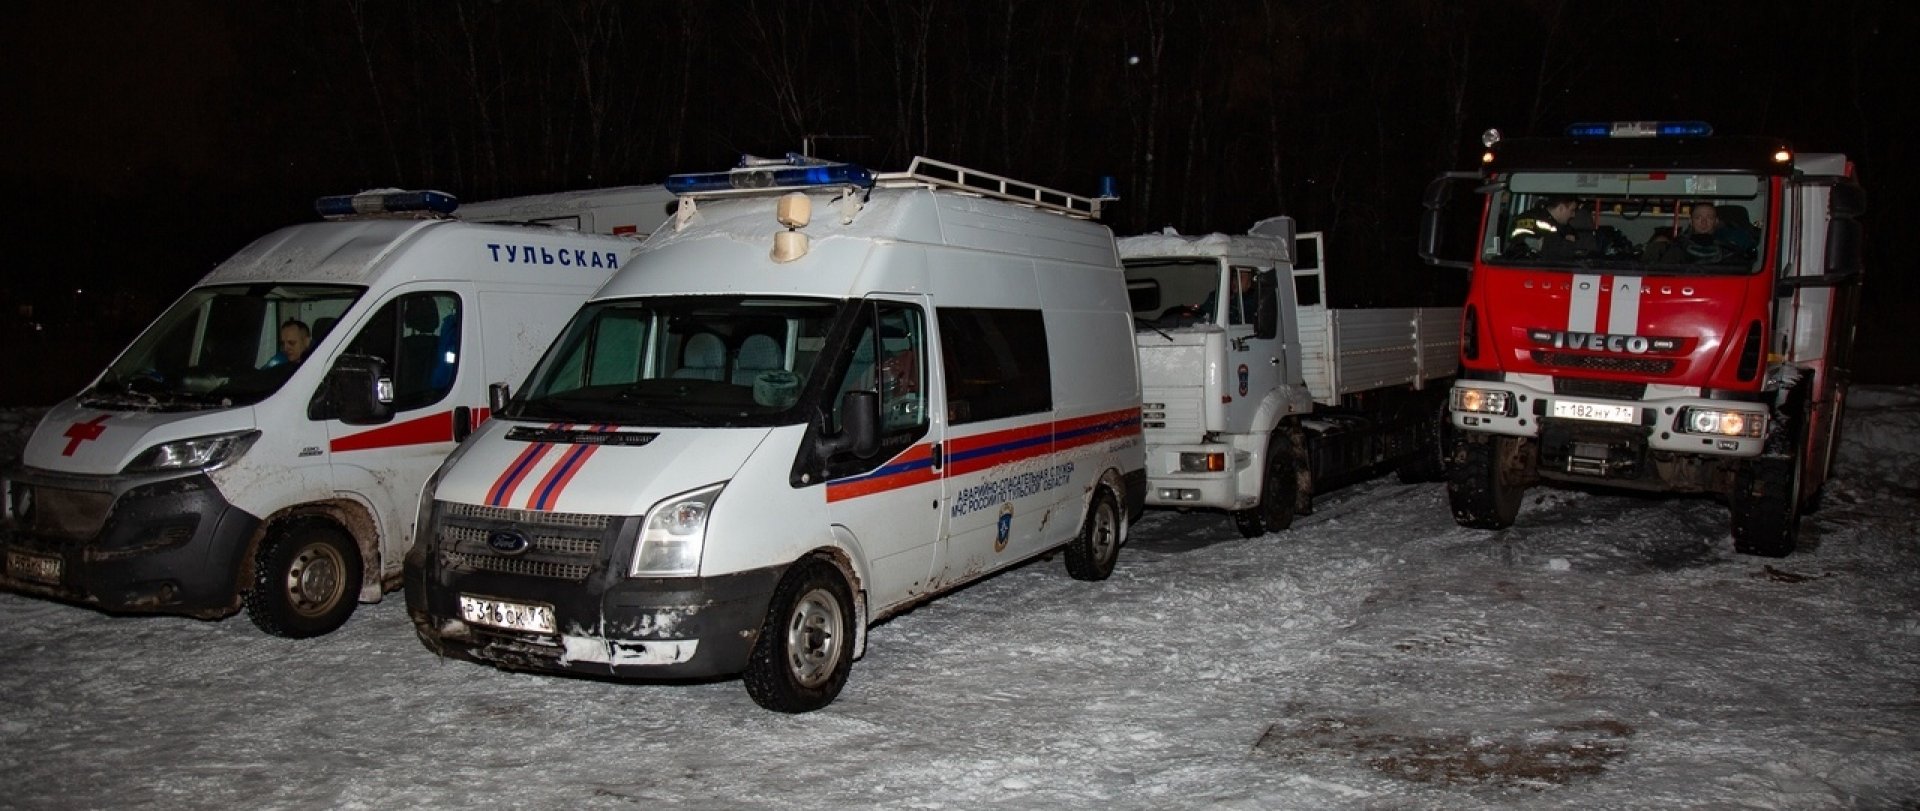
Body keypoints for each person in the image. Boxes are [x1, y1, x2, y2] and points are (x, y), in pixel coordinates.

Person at [1651, 202, 1757, 264]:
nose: (1703, 222)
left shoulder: (1731, 243)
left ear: (1716, 221)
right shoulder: (1678, 245)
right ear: (1691, 221)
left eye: (1709, 218)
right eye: (1698, 217)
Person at [1507, 196, 1600, 258]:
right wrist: (1566, 244)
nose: (1573, 215)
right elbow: (1524, 244)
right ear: (1561, 208)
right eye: (1572, 210)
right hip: (1526, 269)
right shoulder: (1529, 219)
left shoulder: (1564, 227)